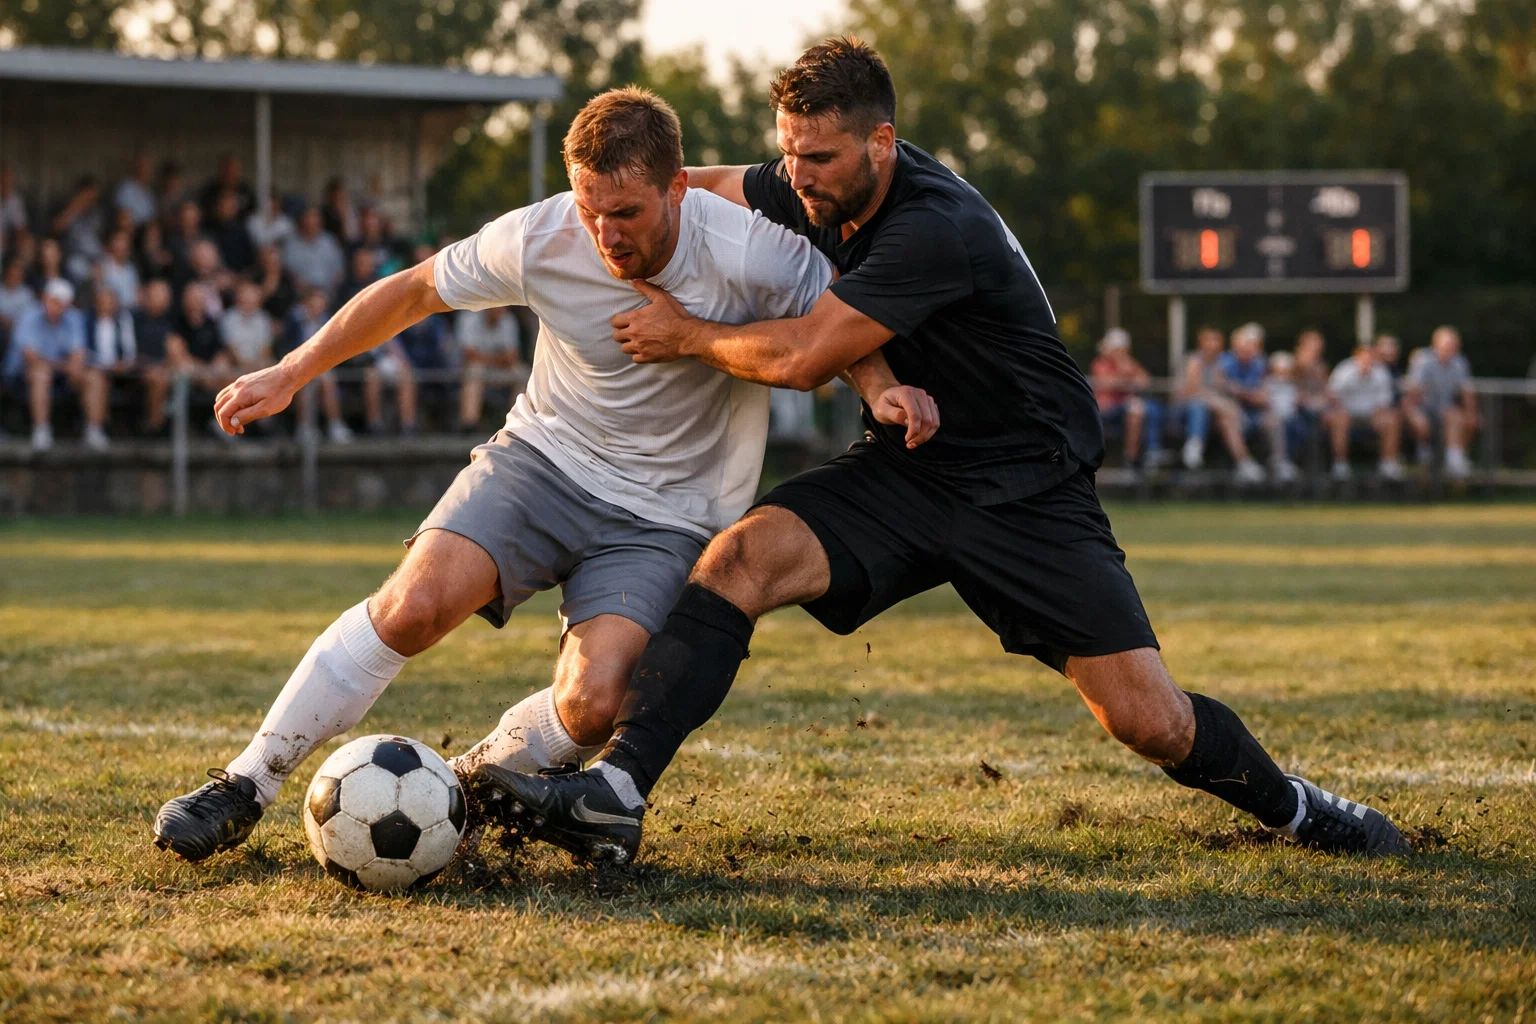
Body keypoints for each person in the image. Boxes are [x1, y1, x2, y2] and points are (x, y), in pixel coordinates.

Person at [471, 38, 1409, 866]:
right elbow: (712, 182)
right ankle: (617, 795)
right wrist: (612, 202)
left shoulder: (933, 227)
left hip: (1026, 489)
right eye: (791, 152)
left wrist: (683, 335)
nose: (798, 178)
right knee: (741, 559)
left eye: (820, 158)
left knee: (1147, 721)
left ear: (882, 144)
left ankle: (1300, 811)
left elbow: (800, 357)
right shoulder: (819, 173)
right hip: (913, 466)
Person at [150, 86, 935, 863]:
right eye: (590, 208)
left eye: (625, 213)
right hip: (542, 460)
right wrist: (294, 370)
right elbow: (416, 289)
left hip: (668, 513)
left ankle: (460, 788)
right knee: (413, 606)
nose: (604, 233)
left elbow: (834, 326)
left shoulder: (749, 248)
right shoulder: (543, 235)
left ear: (678, 188)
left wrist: (879, 388)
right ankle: (246, 784)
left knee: (594, 706)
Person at [9, 279, 92, 451]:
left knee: (94, 377)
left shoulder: (73, 317)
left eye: (63, 303)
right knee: (41, 374)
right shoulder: (29, 316)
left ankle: (94, 430)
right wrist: (64, 365)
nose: (59, 306)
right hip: (22, 375)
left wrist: (72, 366)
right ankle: (41, 429)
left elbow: (79, 354)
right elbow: (31, 357)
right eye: (55, 301)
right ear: (45, 298)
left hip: (61, 372)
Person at [1179, 326, 1265, 482]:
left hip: (1216, 414)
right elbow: (1193, 391)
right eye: (1210, 340)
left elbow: (1223, 387)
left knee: (1226, 419)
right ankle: (1194, 443)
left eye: (1217, 340)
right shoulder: (1195, 360)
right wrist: (1221, 403)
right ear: (1201, 342)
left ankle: (1244, 462)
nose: (1214, 344)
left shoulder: (1221, 363)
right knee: (1202, 406)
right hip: (1190, 409)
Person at [1404, 326, 1477, 478]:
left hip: (1444, 410)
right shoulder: (1423, 360)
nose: (1450, 348)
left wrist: (1471, 413)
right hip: (1422, 408)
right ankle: (1424, 453)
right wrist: (1414, 414)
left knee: (1463, 418)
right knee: (1422, 422)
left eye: (1453, 345)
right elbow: (1413, 392)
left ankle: (1455, 458)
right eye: (1447, 345)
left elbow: (1466, 391)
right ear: (1436, 344)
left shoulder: (1459, 362)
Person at [1323, 341, 1403, 481]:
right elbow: (1332, 396)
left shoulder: (1381, 372)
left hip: (1372, 415)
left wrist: (1378, 413)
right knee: (1340, 420)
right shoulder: (1344, 371)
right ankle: (1340, 465)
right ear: (1356, 356)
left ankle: (1388, 464)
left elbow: (1384, 402)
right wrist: (1342, 409)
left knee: (1391, 421)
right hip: (1347, 414)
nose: (1367, 360)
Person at [282, 286, 352, 445]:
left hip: (322, 366)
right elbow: (288, 345)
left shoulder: (329, 319)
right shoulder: (294, 318)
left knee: (327, 380)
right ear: (307, 302)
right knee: (302, 383)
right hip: (297, 364)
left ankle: (335, 425)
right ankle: (304, 427)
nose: (319, 305)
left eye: (322, 302)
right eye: (315, 301)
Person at [1089, 328, 1163, 470]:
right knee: (1136, 407)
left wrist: (1125, 365)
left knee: (1152, 408)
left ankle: (1151, 453)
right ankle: (1131, 458)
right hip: (1107, 410)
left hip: (1126, 409)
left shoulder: (1128, 362)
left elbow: (1145, 382)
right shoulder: (1100, 363)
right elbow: (1109, 384)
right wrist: (1126, 376)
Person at [83, 285, 137, 451]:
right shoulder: (87, 320)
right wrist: (103, 364)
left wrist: (123, 363)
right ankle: (95, 428)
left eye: (110, 302)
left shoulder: (123, 320)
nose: (106, 305)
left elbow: (129, 350)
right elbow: (82, 351)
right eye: (102, 302)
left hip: (119, 371)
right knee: (97, 379)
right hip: (94, 368)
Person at [456, 305, 525, 432]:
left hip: (498, 371)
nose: (498, 309)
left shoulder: (508, 320)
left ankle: (518, 426)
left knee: (521, 372)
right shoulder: (470, 317)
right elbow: (468, 354)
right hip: (470, 370)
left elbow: (513, 356)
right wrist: (498, 358)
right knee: (475, 371)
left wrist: (486, 358)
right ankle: (469, 425)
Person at [131, 279, 178, 434]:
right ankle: (154, 427)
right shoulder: (134, 318)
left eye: (166, 296)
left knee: (183, 375)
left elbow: (174, 349)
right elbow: (130, 351)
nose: (163, 299)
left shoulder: (169, 321)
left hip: (165, 368)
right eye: (158, 294)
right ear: (147, 295)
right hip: (136, 369)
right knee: (159, 378)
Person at [283, 207, 345, 297]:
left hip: (329, 295)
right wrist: (309, 291)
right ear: (301, 221)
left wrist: (327, 290)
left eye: (315, 218)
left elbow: (339, 271)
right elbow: (289, 273)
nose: (312, 222)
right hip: (302, 297)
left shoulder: (329, 241)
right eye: (308, 218)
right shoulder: (291, 245)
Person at [218, 280, 275, 375]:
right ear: (239, 298)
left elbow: (265, 350)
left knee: (274, 365)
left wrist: (257, 366)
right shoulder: (228, 318)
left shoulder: (263, 319)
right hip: (234, 363)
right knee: (221, 363)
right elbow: (231, 349)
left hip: (258, 363)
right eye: (246, 297)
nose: (249, 301)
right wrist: (246, 366)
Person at [97, 229, 141, 310]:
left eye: (126, 242)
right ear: (111, 243)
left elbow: (136, 296)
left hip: (129, 310)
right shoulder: (102, 265)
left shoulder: (131, 269)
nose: (122, 245)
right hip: (107, 310)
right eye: (119, 240)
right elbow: (99, 292)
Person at [114, 155, 157, 227]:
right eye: (143, 167)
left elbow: (152, 217)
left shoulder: (148, 192)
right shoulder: (126, 188)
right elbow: (123, 217)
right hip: (131, 230)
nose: (146, 171)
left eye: (148, 168)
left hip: (145, 230)